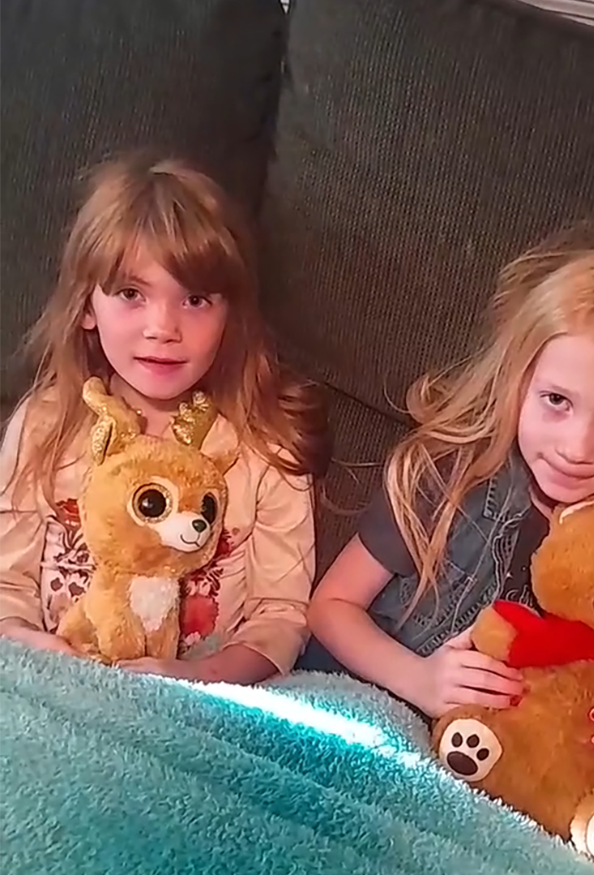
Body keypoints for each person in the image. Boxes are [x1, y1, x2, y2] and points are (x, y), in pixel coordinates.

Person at [307, 224, 594, 789]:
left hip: (527, 784)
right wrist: (418, 679)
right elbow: (331, 605)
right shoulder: (448, 476)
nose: (576, 448)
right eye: (556, 402)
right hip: (384, 708)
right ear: (517, 381)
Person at [0, 152, 329, 684]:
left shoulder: (264, 446)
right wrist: (44, 654)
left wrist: (195, 677)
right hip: (49, 682)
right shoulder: (44, 427)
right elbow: (4, 586)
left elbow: (280, 617)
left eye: (195, 300)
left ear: (230, 316)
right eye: (132, 294)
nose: (162, 327)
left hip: (195, 700)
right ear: (87, 306)